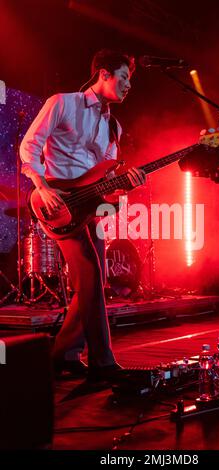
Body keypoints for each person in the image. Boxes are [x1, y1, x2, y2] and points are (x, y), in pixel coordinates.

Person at [20, 49, 146, 380]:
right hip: (58, 202)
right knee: (90, 273)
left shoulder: (114, 127)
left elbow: (106, 179)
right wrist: (41, 185)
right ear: (104, 74)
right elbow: (30, 145)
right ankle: (102, 362)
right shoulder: (62, 103)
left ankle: (65, 354)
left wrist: (122, 187)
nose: (128, 86)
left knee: (94, 280)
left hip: (91, 207)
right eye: (124, 78)